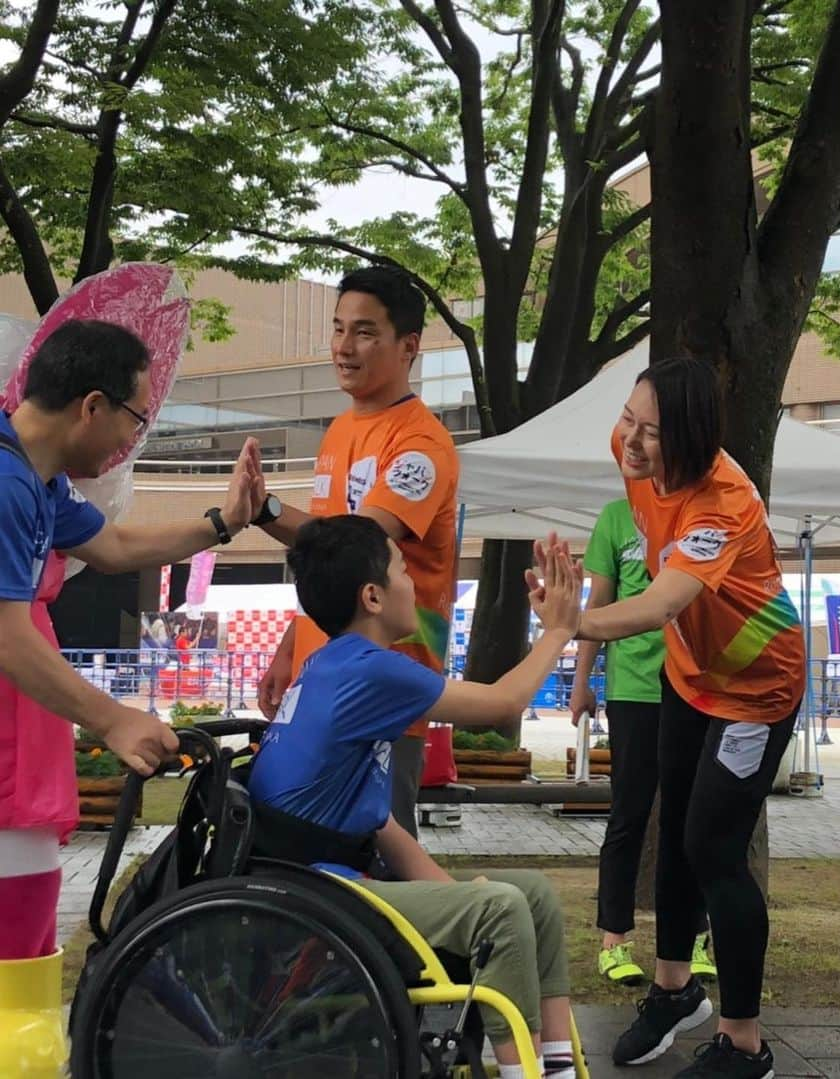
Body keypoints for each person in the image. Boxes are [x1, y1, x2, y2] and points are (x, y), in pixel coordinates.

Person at [536, 356, 805, 1079]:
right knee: (675, 829)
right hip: (689, 676)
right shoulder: (635, 458)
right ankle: (672, 990)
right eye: (627, 418)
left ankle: (746, 1044)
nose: (629, 440)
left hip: (757, 685)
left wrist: (573, 622)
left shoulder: (725, 501)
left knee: (715, 847)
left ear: (690, 438)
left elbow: (659, 604)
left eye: (650, 431)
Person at [247, 514, 583, 1079]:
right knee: (500, 910)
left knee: (533, 895)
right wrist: (557, 632)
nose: (415, 583)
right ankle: (520, 1072)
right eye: (403, 569)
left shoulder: (331, 663)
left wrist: (453, 896)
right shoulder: (370, 671)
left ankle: (555, 1068)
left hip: (327, 875)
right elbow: (503, 702)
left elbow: (381, 824)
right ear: (373, 596)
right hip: (317, 891)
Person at [0, 320, 258, 967]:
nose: (131, 438)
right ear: (92, 406)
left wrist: (224, 521)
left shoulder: (39, 478)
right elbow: (6, 637)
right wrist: (113, 719)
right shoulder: (7, 482)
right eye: (135, 420)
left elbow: (114, 546)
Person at [253, 266, 459, 839]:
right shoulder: (340, 429)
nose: (344, 347)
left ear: (409, 345)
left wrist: (263, 509)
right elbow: (329, 567)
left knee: (382, 862)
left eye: (364, 332)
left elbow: (349, 549)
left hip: (385, 688)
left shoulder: (422, 444)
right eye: (339, 328)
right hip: (325, 679)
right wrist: (291, 648)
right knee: (315, 859)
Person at [569, 497, 715, 987]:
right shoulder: (614, 517)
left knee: (692, 818)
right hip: (634, 688)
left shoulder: (697, 512)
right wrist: (580, 681)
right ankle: (614, 939)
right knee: (629, 814)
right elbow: (599, 605)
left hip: (693, 685)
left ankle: (695, 937)